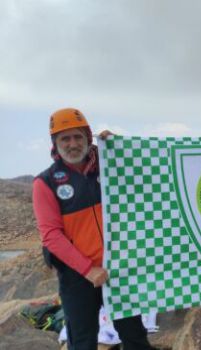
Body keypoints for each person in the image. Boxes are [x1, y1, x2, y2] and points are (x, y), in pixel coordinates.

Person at [32, 108, 153, 349]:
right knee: (83, 342)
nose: (73, 144)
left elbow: (146, 174)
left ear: (88, 138)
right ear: (55, 144)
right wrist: (88, 269)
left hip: (119, 270)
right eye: (64, 138)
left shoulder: (110, 167)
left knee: (135, 337)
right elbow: (51, 237)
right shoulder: (45, 183)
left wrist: (119, 147)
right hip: (77, 276)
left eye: (78, 136)